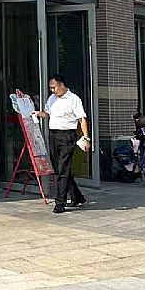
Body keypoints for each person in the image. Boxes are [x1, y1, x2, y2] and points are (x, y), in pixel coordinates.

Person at [29, 74, 91, 213]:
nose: (52, 90)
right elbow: (48, 114)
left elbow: (82, 119)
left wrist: (86, 138)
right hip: (53, 135)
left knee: (63, 169)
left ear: (62, 85)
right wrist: (38, 113)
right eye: (50, 88)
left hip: (67, 136)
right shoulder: (52, 98)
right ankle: (77, 197)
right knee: (60, 169)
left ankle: (60, 203)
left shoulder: (73, 99)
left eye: (54, 87)